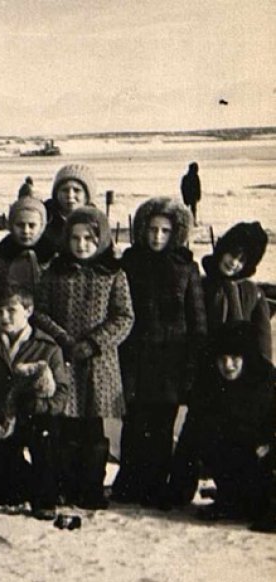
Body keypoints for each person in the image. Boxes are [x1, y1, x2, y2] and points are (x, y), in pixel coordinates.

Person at [34, 207, 134, 509]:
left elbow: (124, 317)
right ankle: (65, 485)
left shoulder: (113, 274)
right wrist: (62, 339)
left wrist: (94, 342)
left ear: (101, 239)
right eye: (75, 238)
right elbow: (39, 312)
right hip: (63, 359)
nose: (81, 245)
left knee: (92, 429)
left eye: (89, 239)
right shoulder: (55, 272)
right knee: (63, 427)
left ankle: (91, 488)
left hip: (97, 363)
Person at [111, 197, 206, 505]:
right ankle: (128, 484)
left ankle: (154, 486)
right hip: (135, 357)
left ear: (175, 233)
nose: (157, 237)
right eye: (152, 230)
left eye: (164, 231)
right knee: (134, 422)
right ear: (142, 230)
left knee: (162, 426)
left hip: (171, 362)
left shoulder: (186, 268)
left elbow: (197, 321)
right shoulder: (130, 263)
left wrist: (193, 364)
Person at [0, 284, 69, 518]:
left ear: (28, 310)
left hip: (32, 420)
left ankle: (46, 495)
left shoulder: (48, 347)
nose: (4, 317)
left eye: (11, 310)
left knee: (46, 434)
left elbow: (62, 394)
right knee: (6, 494)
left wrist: (39, 406)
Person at [163, 322, 274, 523]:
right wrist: (178, 492)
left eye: (235, 358)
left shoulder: (265, 379)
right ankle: (231, 500)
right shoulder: (208, 384)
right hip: (231, 461)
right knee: (209, 437)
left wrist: (268, 444)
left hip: (265, 461)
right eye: (222, 359)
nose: (228, 365)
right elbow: (190, 437)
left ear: (246, 357)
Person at [0, 196, 55, 359]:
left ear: (42, 227)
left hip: (45, 339)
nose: (26, 231)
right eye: (20, 225)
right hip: (3, 336)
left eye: (32, 225)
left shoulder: (53, 259)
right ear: (10, 225)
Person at [200, 221, 271, 363]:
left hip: (238, 370)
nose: (234, 263)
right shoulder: (201, 285)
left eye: (241, 260)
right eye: (232, 254)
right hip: (205, 366)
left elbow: (263, 342)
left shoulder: (253, 293)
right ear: (222, 250)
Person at [43, 163, 97, 255]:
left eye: (77, 190)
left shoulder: (96, 221)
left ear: (87, 196)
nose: (70, 195)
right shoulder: (44, 218)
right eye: (65, 190)